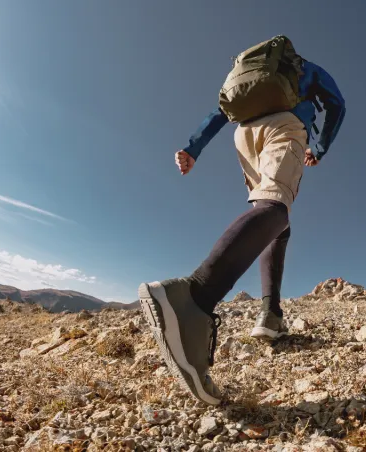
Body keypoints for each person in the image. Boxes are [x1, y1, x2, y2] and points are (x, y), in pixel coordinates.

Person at [139, 44, 346, 405]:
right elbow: (336, 103)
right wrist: (321, 147)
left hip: (243, 136)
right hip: (285, 124)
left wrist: (193, 147)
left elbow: (221, 109)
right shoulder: (305, 69)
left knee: (276, 220)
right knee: (275, 208)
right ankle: (194, 299)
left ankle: (270, 313)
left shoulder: (247, 76)